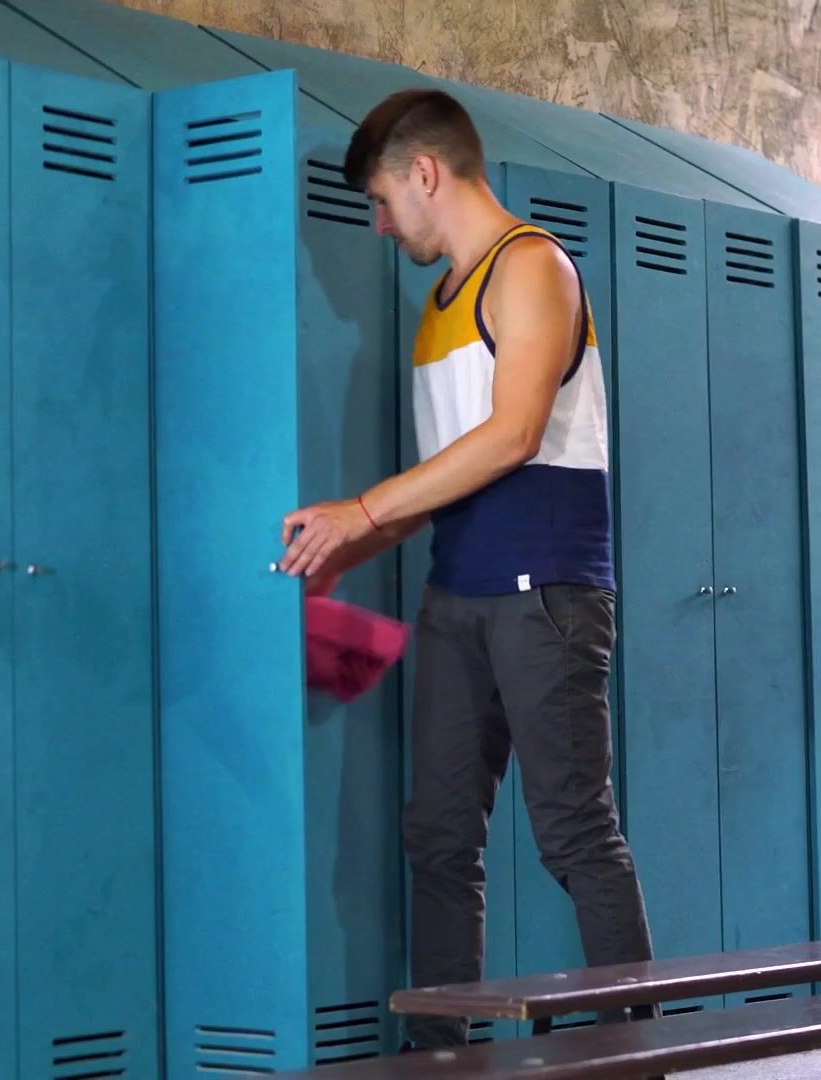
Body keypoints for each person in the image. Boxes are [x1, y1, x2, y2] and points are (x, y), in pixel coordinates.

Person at [275, 87, 654, 1049]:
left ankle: (638, 1057)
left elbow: (515, 435)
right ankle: (442, 1060)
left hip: (547, 593)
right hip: (458, 596)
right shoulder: (439, 306)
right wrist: (345, 546)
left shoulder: (532, 266)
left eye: (380, 200)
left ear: (425, 174)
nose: (378, 223)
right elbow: (451, 479)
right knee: (439, 839)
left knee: (574, 832)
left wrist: (360, 509)